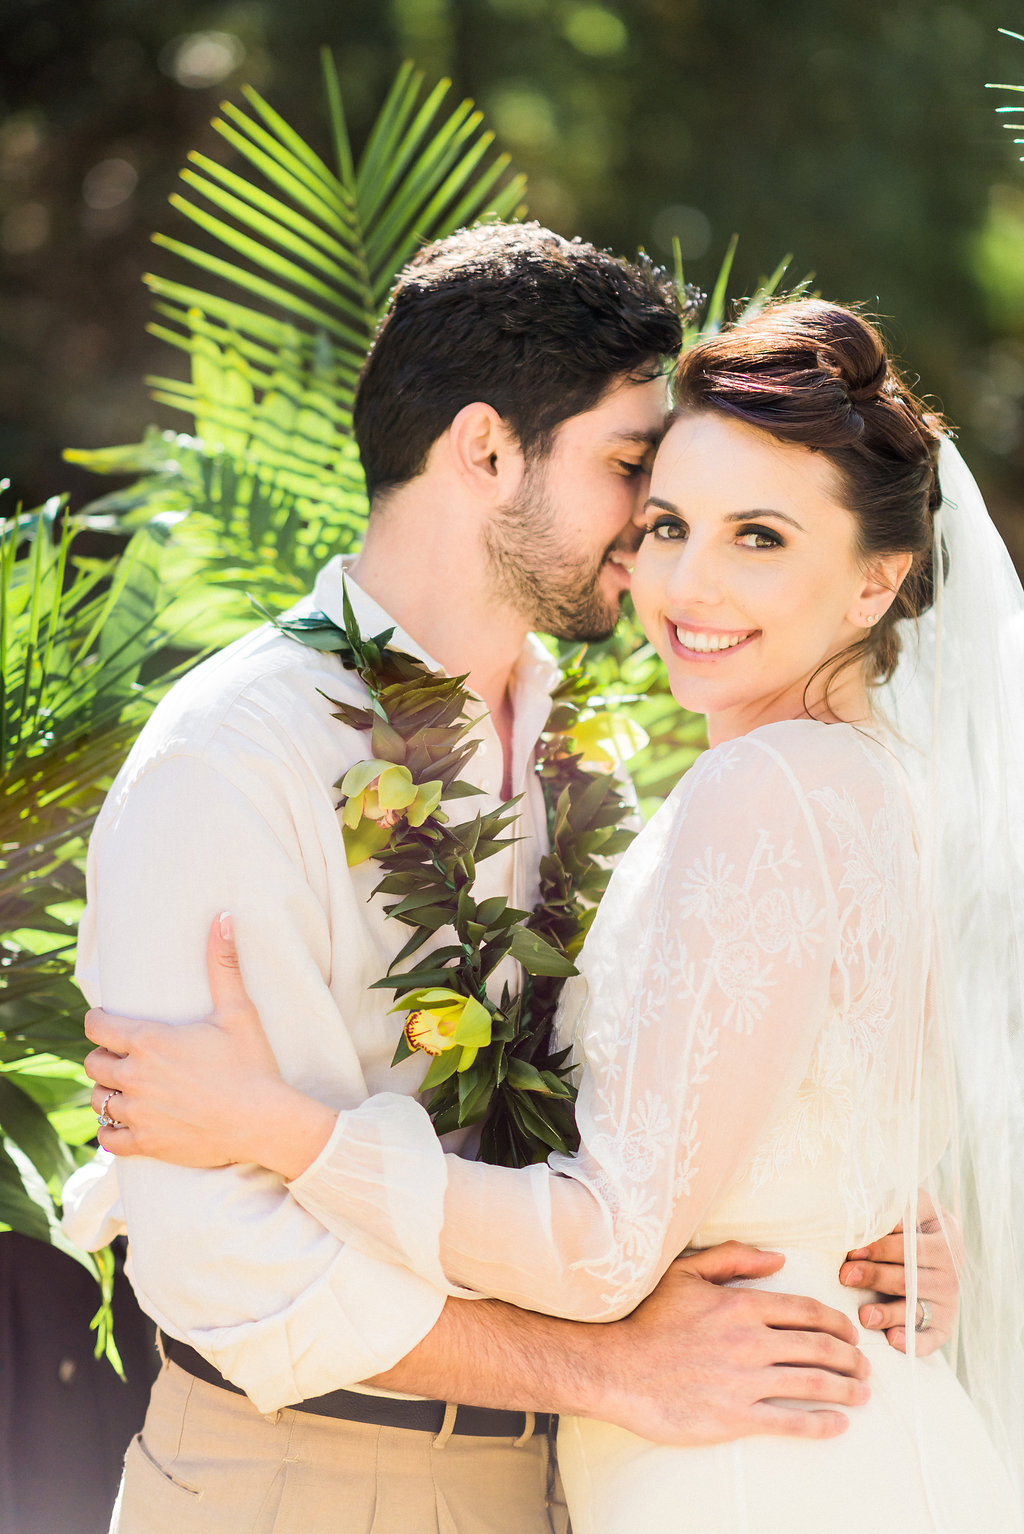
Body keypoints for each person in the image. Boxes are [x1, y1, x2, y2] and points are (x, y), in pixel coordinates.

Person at [81, 298, 1023, 1532]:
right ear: (485, 450)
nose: (658, 547)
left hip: (657, 1455)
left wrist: (864, 1216)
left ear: (874, 580)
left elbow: (667, 1145)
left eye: (751, 531)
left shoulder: (602, 757)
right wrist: (615, 1361)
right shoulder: (235, 757)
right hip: (310, 1478)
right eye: (644, 482)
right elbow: (220, 1257)